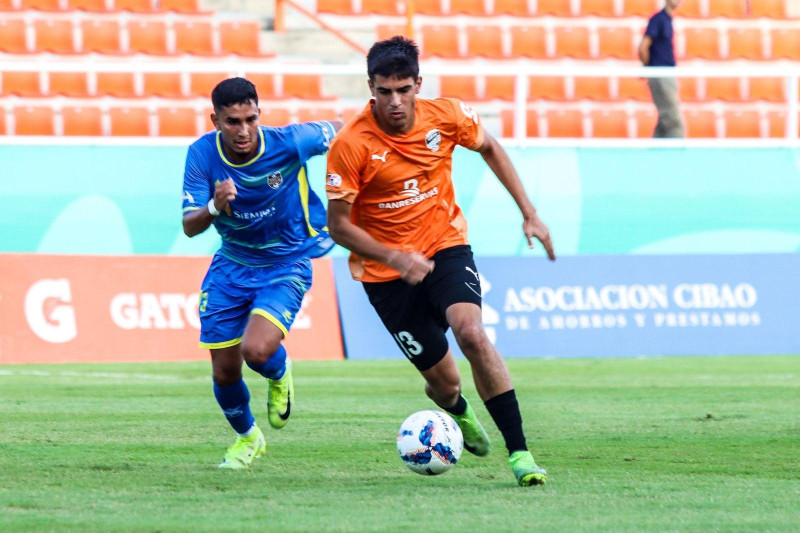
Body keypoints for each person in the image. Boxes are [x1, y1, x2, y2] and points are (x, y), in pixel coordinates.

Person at [325, 36, 556, 487]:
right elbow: (338, 225)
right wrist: (394, 256)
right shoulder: (351, 144)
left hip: (444, 245)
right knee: (445, 384)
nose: (395, 101)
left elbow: (489, 147)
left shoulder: (446, 116)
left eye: (404, 89)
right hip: (385, 274)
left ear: (419, 85)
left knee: (472, 333)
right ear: (370, 87)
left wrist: (529, 213)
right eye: (384, 90)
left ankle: (521, 454)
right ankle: (460, 412)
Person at [182, 77, 342, 469]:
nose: (243, 130)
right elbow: (189, 224)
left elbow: (344, 129)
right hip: (232, 264)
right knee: (223, 371)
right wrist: (216, 206)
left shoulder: (290, 142)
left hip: (286, 262)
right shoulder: (202, 154)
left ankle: (279, 370)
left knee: (256, 351)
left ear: (260, 114)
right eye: (232, 121)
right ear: (215, 120)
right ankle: (248, 438)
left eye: (250, 119)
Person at [638, 0, 685, 138]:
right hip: (661, 75)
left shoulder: (667, 20)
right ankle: (678, 155)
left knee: (665, 120)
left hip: (667, 74)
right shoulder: (658, 19)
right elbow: (643, 47)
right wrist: (649, 69)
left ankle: (655, 154)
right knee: (674, 121)